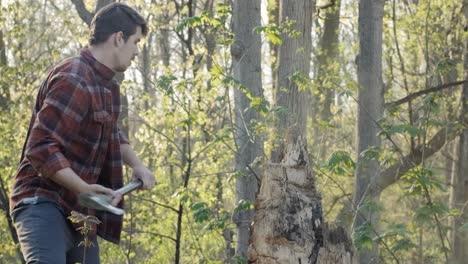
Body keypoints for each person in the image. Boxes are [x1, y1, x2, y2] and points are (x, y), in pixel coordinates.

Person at [9, 3, 156, 263]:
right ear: (118, 38)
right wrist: (85, 188)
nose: (136, 52)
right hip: (43, 203)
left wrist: (138, 166)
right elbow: (40, 148)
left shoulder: (108, 88)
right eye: (135, 41)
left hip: (77, 212)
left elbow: (113, 133)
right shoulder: (73, 78)